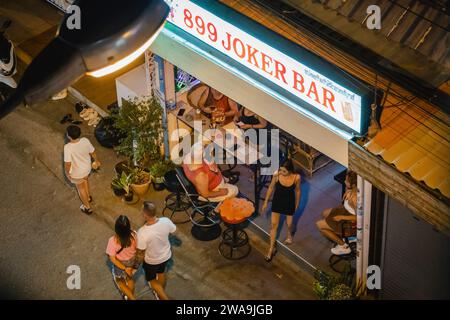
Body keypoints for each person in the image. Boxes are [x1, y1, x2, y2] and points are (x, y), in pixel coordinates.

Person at [261, 159, 301, 262]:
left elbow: (297, 190)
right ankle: (271, 249)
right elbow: (270, 188)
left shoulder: (296, 177)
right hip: (277, 201)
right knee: (274, 225)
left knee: (289, 224)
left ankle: (289, 235)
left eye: (284, 171)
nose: (281, 173)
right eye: (280, 170)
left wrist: (297, 203)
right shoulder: (277, 175)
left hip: (289, 202)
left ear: (290, 170)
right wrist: (266, 202)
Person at [135, 202, 176, 300]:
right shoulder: (166, 221)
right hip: (166, 256)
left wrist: (135, 265)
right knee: (161, 273)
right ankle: (160, 293)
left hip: (152, 261)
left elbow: (140, 252)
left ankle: (164, 297)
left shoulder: (142, 232)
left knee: (151, 280)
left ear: (145, 215)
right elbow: (173, 230)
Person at [316, 171, 357, 255]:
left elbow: (360, 218)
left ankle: (344, 246)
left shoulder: (355, 199)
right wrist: (347, 191)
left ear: (353, 185)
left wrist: (341, 217)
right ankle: (339, 236)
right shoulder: (351, 189)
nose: (345, 182)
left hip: (348, 220)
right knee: (324, 213)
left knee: (319, 225)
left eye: (347, 181)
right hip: (344, 210)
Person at [63, 125, 101, 214]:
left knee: (80, 189)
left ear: (68, 135)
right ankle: (88, 197)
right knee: (85, 179)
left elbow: (68, 164)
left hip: (77, 172)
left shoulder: (68, 147)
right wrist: (96, 161)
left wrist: (67, 173)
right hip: (87, 168)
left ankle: (87, 207)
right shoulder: (85, 140)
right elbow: (93, 152)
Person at [106, 215, 138, 300]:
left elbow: (112, 258)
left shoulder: (112, 240)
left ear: (116, 229)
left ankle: (131, 298)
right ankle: (128, 297)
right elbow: (139, 249)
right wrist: (131, 268)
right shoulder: (135, 235)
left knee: (119, 280)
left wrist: (124, 268)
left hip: (120, 264)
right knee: (129, 278)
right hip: (132, 261)